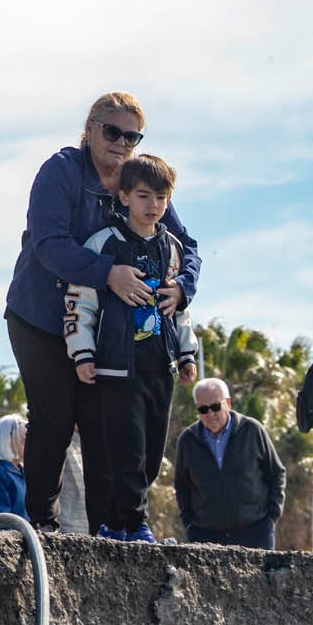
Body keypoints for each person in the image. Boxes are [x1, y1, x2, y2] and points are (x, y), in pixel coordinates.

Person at [4, 92, 200, 533]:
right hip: (41, 317)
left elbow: (186, 248)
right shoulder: (61, 172)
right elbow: (48, 243)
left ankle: (104, 530)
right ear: (90, 129)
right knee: (54, 418)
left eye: (132, 136)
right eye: (112, 132)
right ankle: (41, 523)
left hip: (108, 333)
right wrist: (108, 273)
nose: (121, 143)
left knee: (102, 427)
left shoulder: (139, 181)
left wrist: (181, 289)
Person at [63, 154, 198, 543]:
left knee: (153, 453)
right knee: (128, 449)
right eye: (143, 195)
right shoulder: (103, 243)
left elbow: (179, 310)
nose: (152, 205)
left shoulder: (173, 250)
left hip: (161, 364)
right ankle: (129, 523)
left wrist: (186, 353)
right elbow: (80, 301)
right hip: (117, 367)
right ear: (123, 197)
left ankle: (123, 522)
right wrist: (82, 352)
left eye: (161, 197)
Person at [172, 378, 285, 548]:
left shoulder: (252, 430)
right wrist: (190, 525)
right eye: (203, 409)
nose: (210, 414)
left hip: (255, 533)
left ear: (228, 403)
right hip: (205, 536)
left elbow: (276, 473)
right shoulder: (187, 440)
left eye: (216, 407)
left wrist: (271, 518)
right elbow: (182, 485)